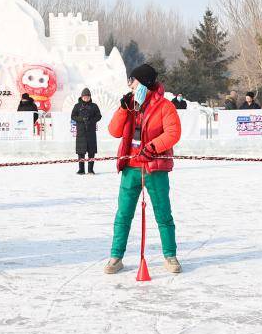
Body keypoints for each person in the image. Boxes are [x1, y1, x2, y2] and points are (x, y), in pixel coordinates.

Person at [105, 63, 182, 275]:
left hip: (154, 168)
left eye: (134, 81)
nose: (130, 85)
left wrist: (152, 148)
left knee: (163, 214)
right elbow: (113, 131)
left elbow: (173, 133)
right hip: (130, 167)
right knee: (123, 214)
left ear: (146, 84)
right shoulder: (129, 105)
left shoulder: (165, 106)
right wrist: (123, 109)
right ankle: (115, 256)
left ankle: (170, 255)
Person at [71, 88, 102, 174]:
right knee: (81, 152)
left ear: (90, 97)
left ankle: (90, 169)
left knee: (91, 152)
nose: (86, 99)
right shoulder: (77, 106)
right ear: (81, 97)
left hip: (91, 132)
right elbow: (73, 116)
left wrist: (91, 120)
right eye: (84, 97)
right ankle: (81, 169)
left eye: (87, 97)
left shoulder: (94, 106)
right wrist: (81, 119)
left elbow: (99, 116)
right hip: (81, 132)